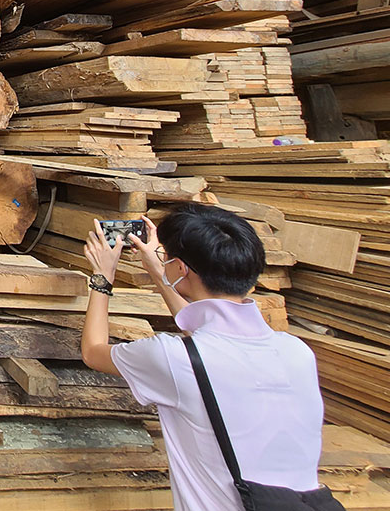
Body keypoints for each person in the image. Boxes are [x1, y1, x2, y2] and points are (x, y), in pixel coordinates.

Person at [81, 202, 330, 511]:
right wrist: (161, 272)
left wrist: (103, 275)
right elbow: (207, 333)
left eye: (167, 255)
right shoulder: (298, 353)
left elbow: (93, 351)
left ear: (182, 268)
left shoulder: (172, 358)